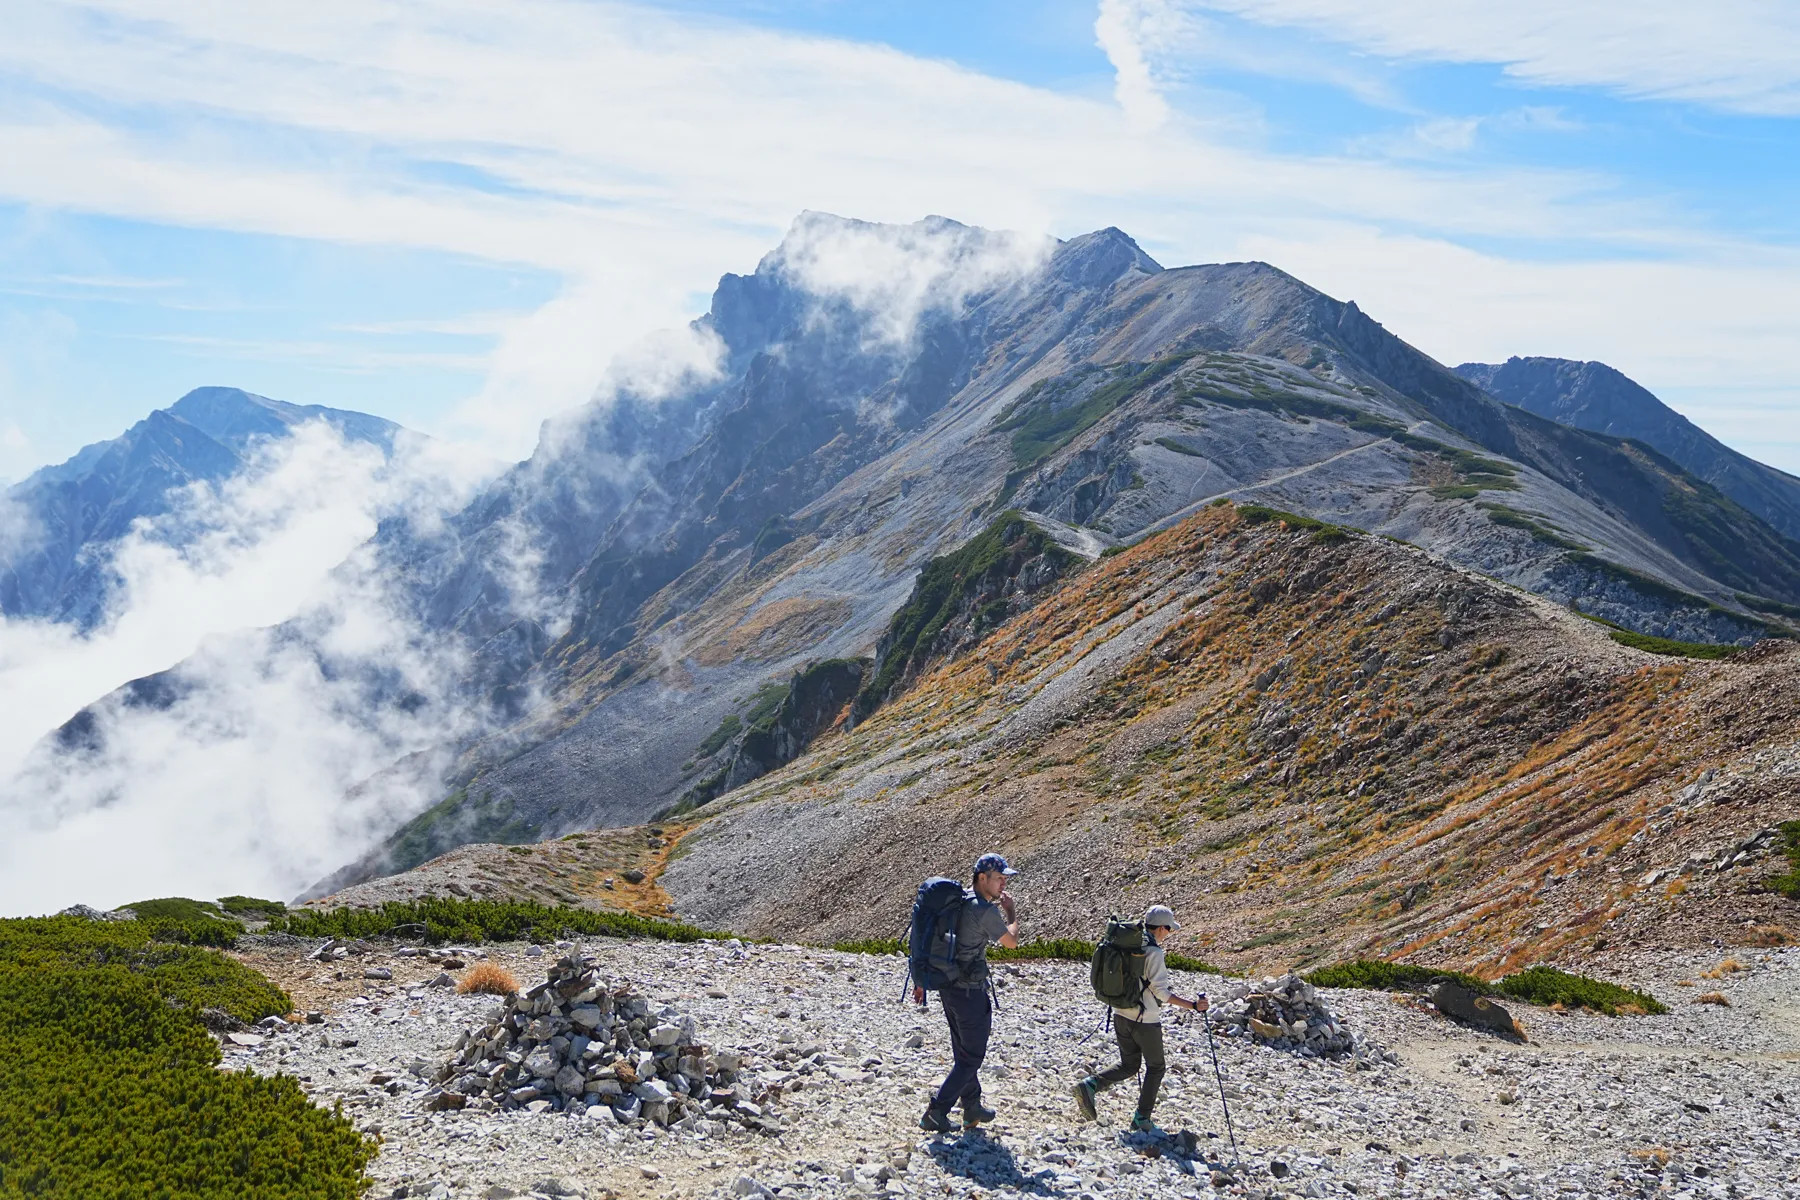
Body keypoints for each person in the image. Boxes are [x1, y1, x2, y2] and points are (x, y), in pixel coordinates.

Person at [1072, 904, 1208, 1133]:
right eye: (1169, 930)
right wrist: (1193, 1005)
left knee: (1129, 1064)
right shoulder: (1154, 952)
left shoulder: (1129, 944)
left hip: (1120, 1012)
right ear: (1162, 928)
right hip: (1145, 1020)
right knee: (1156, 1067)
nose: (1169, 935)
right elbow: (1161, 993)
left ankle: (1090, 1085)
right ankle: (1141, 1119)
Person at [919, 852, 1019, 1132]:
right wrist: (1010, 912)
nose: (1003, 884)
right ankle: (937, 1111)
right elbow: (1011, 942)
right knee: (972, 1057)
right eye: (999, 878)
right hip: (969, 992)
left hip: (949, 986)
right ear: (982, 878)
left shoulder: (960, 900)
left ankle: (971, 1107)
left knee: (963, 1051)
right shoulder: (984, 909)